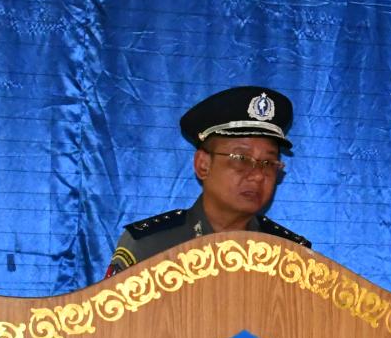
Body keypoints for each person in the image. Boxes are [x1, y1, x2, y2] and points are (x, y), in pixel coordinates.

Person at [105, 86, 311, 277]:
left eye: (268, 162)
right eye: (241, 159)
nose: (258, 175)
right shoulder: (150, 245)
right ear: (203, 165)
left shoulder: (291, 255)